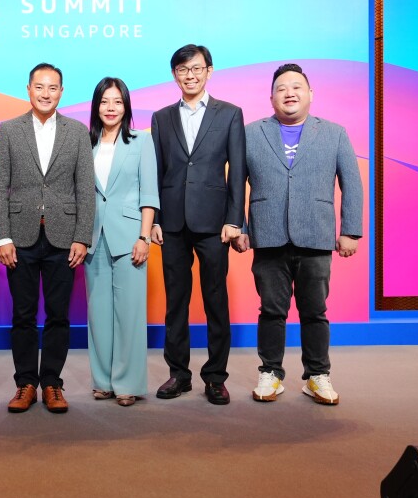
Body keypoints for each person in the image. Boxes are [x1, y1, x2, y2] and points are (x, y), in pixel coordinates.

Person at [235, 63, 362, 405]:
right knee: (271, 310)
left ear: (310, 94)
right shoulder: (251, 133)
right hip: (267, 235)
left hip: (316, 235)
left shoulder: (334, 133)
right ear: (271, 98)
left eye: (296, 87)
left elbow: (352, 183)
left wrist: (350, 231)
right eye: (281, 88)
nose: (289, 93)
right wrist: (239, 227)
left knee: (315, 310)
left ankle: (317, 375)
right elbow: (234, 185)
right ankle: (270, 373)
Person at [0, 62, 95, 413]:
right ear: (28, 89)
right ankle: (25, 384)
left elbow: (85, 189)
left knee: (58, 315)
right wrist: (2, 237)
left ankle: (52, 383)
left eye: (52, 88)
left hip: (64, 238)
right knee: (22, 315)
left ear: (61, 92)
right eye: (39, 87)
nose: (46, 93)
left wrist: (82, 237)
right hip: (19, 238)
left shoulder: (77, 132)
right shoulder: (9, 130)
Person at [150, 43, 246, 405]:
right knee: (176, 301)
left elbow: (238, 171)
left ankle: (216, 377)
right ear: (174, 75)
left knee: (215, 300)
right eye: (182, 70)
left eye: (196, 68)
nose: (189, 75)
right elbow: (156, 172)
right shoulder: (161, 118)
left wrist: (234, 220)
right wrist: (155, 219)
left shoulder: (230, 114)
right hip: (172, 223)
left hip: (213, 223)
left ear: (209, 71)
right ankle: (179, 374)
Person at [84, 78, 159, 407]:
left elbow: (149, 193)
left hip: (130, 236)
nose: (111, 107)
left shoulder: (142, 141)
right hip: (92, 237)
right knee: (99, 314)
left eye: (117, 101)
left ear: (126, 106)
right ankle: (103, 381)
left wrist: (144, 236)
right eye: (104, 101)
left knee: (129, 314)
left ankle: (128, 383)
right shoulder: (85, 143)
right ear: (96, 106)